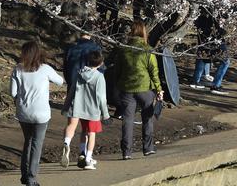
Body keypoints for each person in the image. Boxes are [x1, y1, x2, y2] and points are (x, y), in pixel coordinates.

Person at [10, 41, 64, 186]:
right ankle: (32, 178)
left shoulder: (18, 69)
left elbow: (13, 92)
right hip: (41, 114)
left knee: (28, 141)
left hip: (23, 112)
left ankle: (24, 174)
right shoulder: (45, 69)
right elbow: (60, 81)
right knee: (36, 145)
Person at [114, 21, 163, 159]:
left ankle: (126, 152)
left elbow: (117, 70)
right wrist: (159, 89)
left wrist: (117, 86)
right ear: (143, 32)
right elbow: (154, 71)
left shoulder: (124, 50)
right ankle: (147, 148)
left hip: (127, 89)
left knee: (127, 121)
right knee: (147, 118)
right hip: (145, 89)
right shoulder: (148, 50)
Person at [62, 50, 110, 170]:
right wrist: (105, 114)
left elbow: (72, 90)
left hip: (78, 107)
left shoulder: (80, 73)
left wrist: (66, 106)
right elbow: (101, 97)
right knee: (91, 134)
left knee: (82, 131)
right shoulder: (99, 77)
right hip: (92, 110)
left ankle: (70, 144)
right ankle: (88, 159)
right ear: (100, 63)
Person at [60, 32, 102, 166]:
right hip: (90, 98)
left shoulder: (71, 48)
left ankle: (66, 142)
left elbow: (65, 68)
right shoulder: (95, 48)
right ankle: (85, 155)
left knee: (72, 124)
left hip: (74, 89)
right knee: (88, 130)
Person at [191, 7, 230, 95]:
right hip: (215, 40)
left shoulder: (202, 14)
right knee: (225, 61)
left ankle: (196, 81)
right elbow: (219, 27)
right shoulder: (216, 13)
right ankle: (216, 85)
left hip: (204, 37)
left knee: (203, 57)